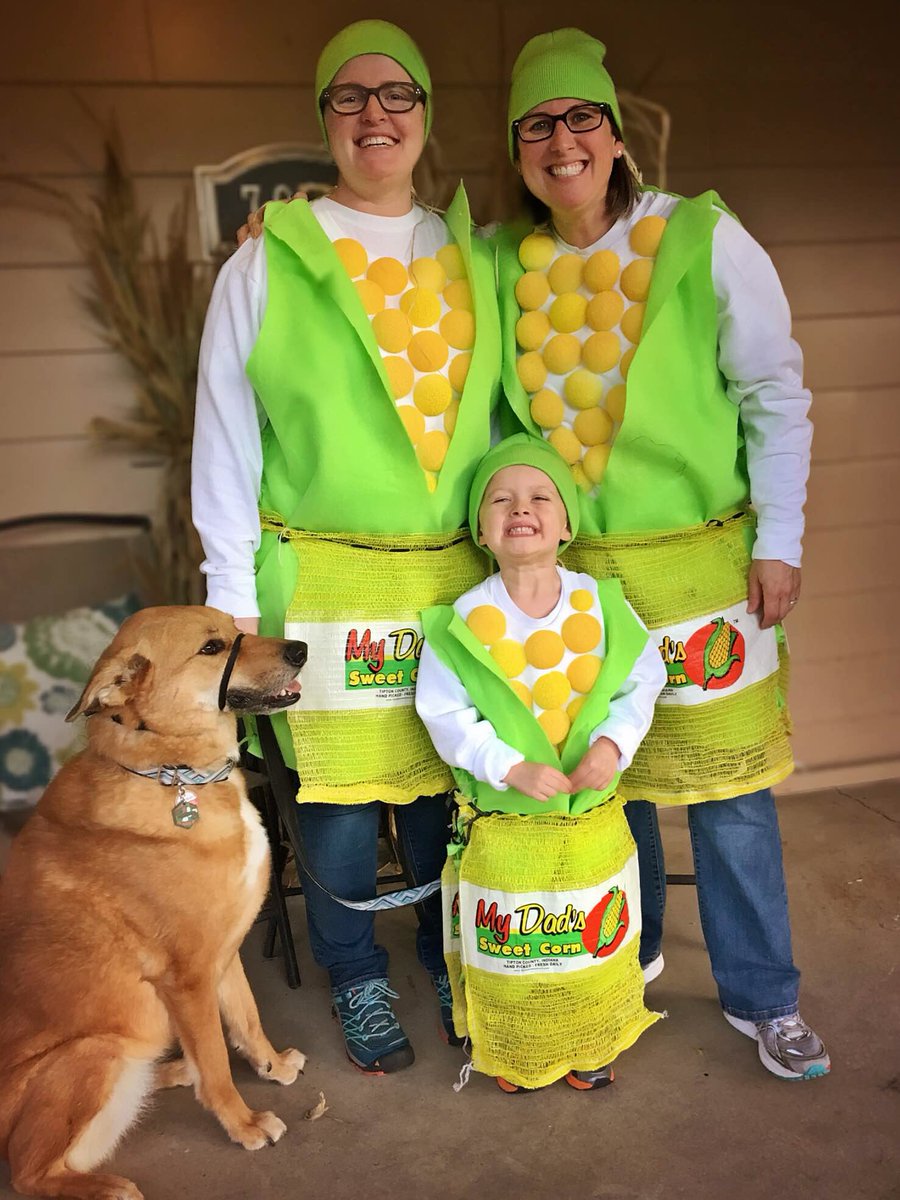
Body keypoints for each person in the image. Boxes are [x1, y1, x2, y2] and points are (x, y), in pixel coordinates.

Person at [495, 28, 829, 1080]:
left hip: (703, 566)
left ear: (616, 132)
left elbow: (774, 392)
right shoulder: (509, 261)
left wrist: (781, 538)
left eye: (581, 116)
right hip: (581, 579)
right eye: (538, 123)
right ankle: (622, 970)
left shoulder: (700, 236)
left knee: (729, 793)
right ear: (516, 149)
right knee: (612, 783)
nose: (563, 140)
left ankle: (763, 996)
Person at [191, 19, 501, 1075]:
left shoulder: (475, 256)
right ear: (324, 119)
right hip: (320, 574)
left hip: (449, 576)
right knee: (334, 791)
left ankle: (443, 953)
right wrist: (230, 598)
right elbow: (227, 437)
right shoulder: (268, 263)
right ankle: (356, 973)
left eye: (398, 94)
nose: (376, 114)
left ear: (426, 117)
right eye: (351, 96)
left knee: (435, 776)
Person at [416, 434, 666, 1091]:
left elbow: (643, 678)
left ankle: (593, 1036)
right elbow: (446, 714)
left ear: (565, 523)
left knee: (590, 943)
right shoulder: (464, 622)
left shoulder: (603, 605)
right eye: (500, 498)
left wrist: (613, 743)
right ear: (481, 530)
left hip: (590, 828)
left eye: (538, 496)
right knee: (519, 953)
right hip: (505, 831)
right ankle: (518, 1048)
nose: (519, 507)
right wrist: (505, 766)